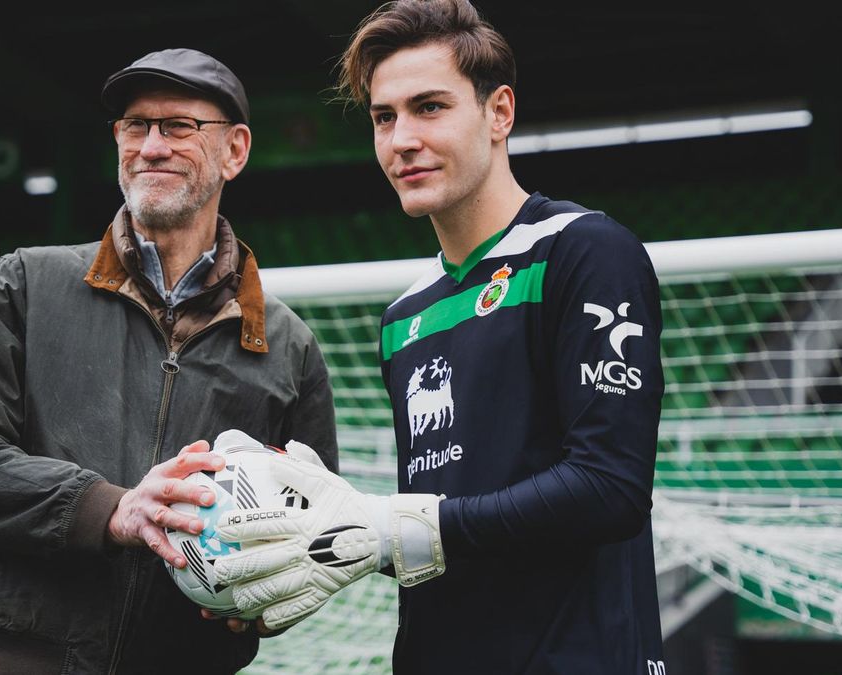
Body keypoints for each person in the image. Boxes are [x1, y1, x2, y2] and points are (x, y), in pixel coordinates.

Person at [210, 2, 666, 673]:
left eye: (429, 108)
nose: (401, 139)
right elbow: (451, 528)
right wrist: (324, 539)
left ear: (499, 113)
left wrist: (393, 525)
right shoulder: (404, 316)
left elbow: (608, 488)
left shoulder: (584, 251)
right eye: (384, 117)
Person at [0, 48, 338, 675]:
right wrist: (110, 509)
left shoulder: (288, 345)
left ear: (236, 150)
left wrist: (258, 598)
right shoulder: (25, 284)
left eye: (178, 127)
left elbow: (310, 529)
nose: (151, 146)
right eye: (135, 126)